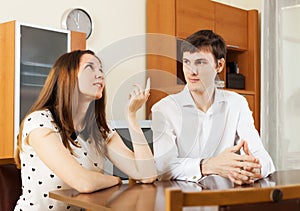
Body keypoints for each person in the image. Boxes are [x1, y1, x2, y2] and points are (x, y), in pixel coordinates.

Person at [14, 50, 157, 211]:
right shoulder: (40, 122)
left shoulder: (99, 129)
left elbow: (147, 174)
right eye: (90, 68)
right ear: (67, 77)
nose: (100, 75)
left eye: (101, 69)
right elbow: (83, 183)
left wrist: (131, 116)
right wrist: (116, 180)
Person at [151, 30, 275, 185]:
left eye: (200, 62)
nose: (191, 72)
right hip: (181, 198)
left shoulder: (237, 103)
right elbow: (164, 169)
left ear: (220, 65)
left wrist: (253, 168)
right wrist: (210, 165)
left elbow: (264, 158)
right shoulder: (164, 109)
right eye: (187, 62)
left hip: (226, 197)